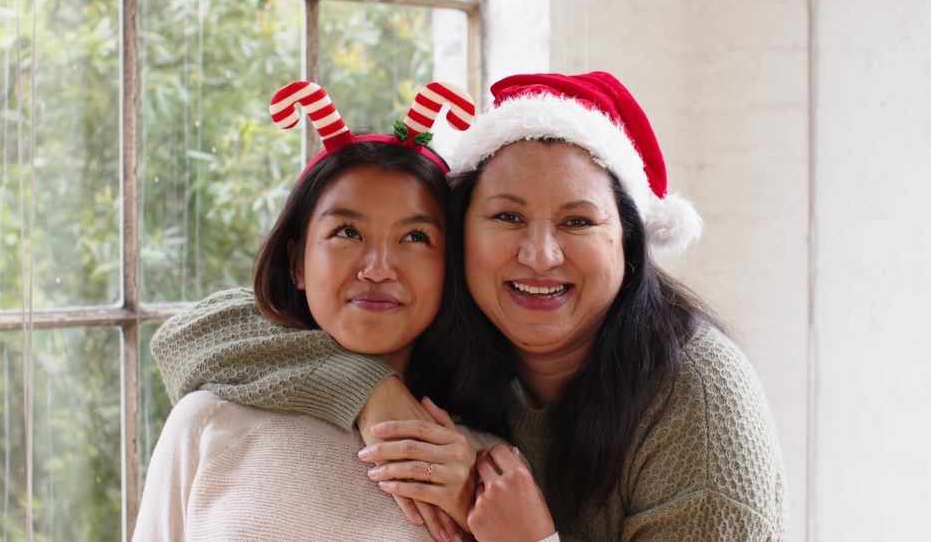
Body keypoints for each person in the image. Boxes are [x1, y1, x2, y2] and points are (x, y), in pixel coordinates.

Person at [151, 72, 789, 540]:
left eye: (577, 222)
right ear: (462, 242)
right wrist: (369, 391)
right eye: (507, 216)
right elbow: (197, 333)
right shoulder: (458, 356)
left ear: (629, 241)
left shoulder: (698, 405)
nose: (539, 256)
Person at [133, 81, 494, 542]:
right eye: (347, 232)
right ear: (295, 263)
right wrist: (366, 387)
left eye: (416, 237)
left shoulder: (482, 467)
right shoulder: (208, 419)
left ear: (452, 269)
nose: (379, 269)